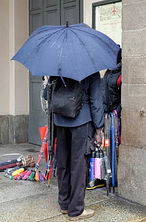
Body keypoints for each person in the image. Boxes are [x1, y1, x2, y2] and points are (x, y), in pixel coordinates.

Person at [51, 72, 104, 220]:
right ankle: (76, 210)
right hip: (81, 120)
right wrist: (99, 129)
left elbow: (46, 95)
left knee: (63, 163)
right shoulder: (90, 69)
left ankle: (64, 204)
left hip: (60, 120)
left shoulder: (57, 68)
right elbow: (96, 100)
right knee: (79, 165)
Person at [102, 48, 122, 117]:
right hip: (105, 111)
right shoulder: (107, 72)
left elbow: (123, 98)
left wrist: (116, 112)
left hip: (114, 114)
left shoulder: (120, 75)